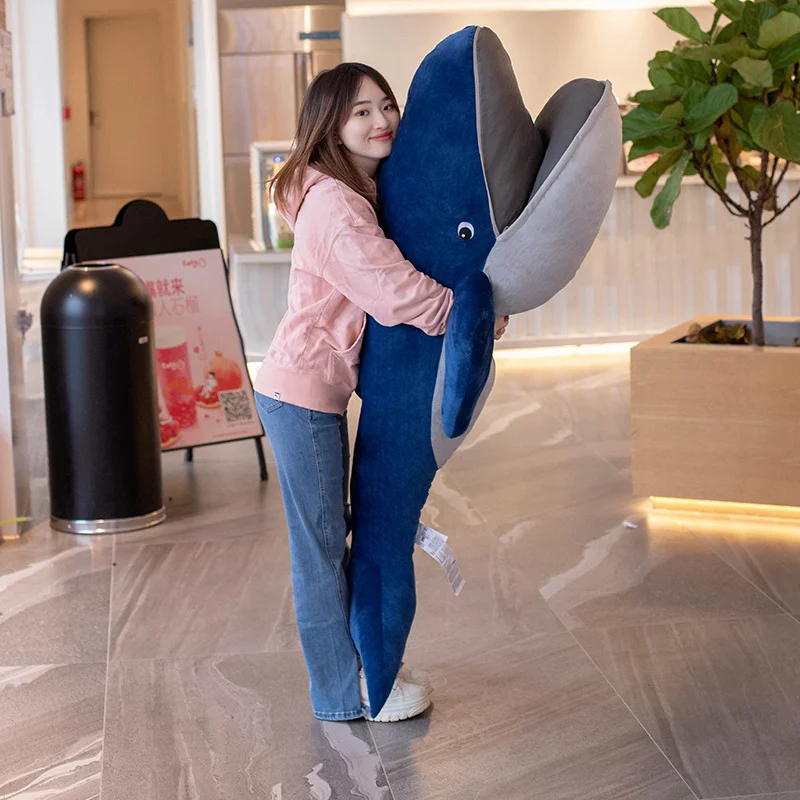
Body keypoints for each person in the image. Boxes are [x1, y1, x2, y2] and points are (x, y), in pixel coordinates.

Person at [254, 63, 507, 723]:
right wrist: (465, 314)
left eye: (386, 104)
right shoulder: (335, 206)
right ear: (330, 125)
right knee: (319, 552)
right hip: (300, 394)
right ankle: (344, 694)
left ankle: (367, 669)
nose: (382, 120)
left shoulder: (351, 190)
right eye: (361, 111)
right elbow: (390, 289)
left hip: (312, 391)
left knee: (332, 538)